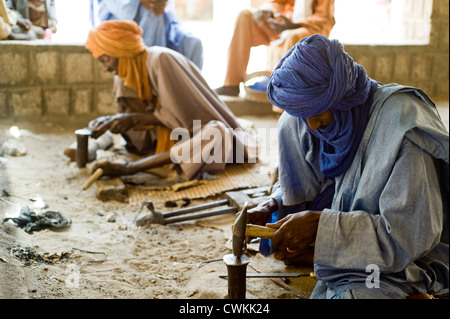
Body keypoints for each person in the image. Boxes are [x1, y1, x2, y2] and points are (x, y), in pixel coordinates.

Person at [245, 34, 449, 299]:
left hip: (404, 253)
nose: (313, 126)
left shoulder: (401, 126)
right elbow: (318, 183)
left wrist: (321, 227)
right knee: (290, 123)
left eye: (318, 115)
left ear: (344, 100)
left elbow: (409, 237)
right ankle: (323, 253)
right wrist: (273, 203)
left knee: (362, 290)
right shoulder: (311, 120)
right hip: (343, 221)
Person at [84, 20, 257, 181]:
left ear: (122, 51)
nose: (106, 68)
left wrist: (134, 123)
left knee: (216, 133)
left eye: (105, 59)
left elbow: (188, 121)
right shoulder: (127, 71)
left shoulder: (161, 59)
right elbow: (151, 115)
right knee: (120, 81)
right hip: (173, 131)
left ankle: (133, 167)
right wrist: (115, 121)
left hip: (196, 130)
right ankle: (161, 157)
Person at [215, 0, 335, 97]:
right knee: (245, 15)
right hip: (282, 24)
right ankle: (232, 85)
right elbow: (276, 3)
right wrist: (269, 12)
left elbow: (323, 19)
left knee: (292, 36)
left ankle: (283, 101)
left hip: (308, 29)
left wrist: (296, 25)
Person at [90, 0, 203, 70]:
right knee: (151, 17)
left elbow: (169, 10)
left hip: (165, 25)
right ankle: (154, 68)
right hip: (122, 22)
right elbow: (124, 9)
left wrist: (160, 3)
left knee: (194, 43)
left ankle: (192, 92)